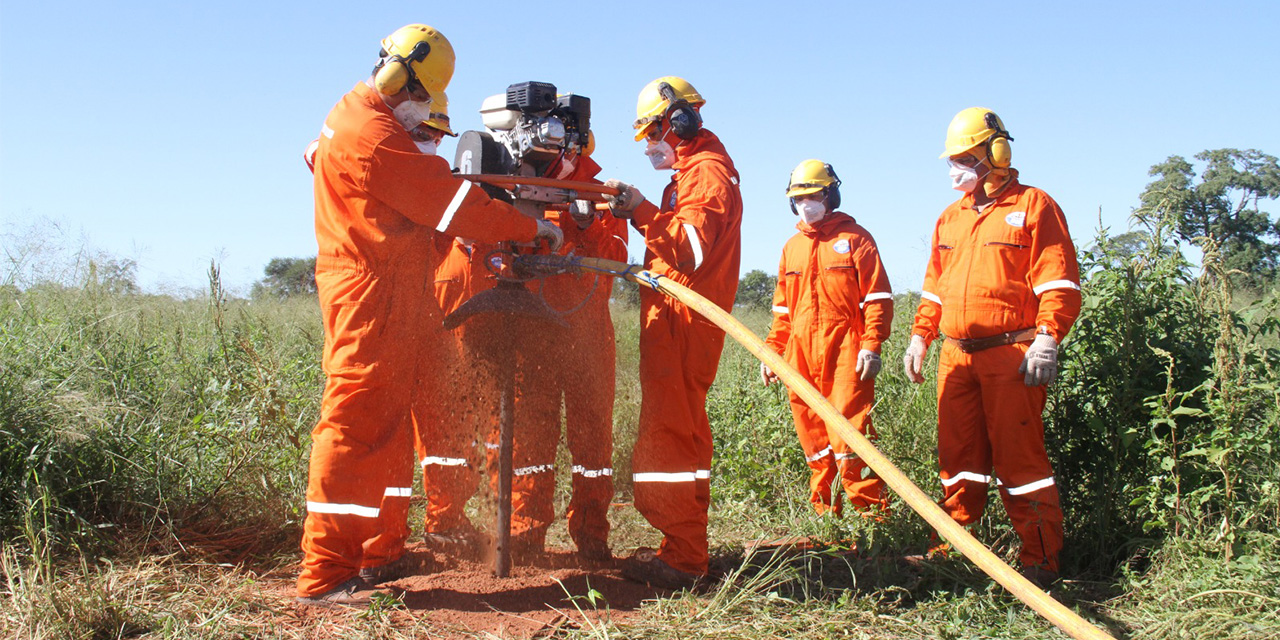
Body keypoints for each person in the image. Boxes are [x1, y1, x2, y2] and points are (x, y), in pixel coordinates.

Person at [298, 23, 562, 606]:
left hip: (391, 288)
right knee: (356, 421)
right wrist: (528, 226)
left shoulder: (356, 116)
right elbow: (447, 203)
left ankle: (376, 551)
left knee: (386, 425)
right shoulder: (373, 134)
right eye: (422, 98)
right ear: (401, 79)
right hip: (370, 294)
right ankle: (325, 572)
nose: (425, 113)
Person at [902, 107, 1080, 589]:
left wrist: (1048, 336)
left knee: (1020, 461)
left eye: (962, 158)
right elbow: (934, 288)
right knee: (957, 457)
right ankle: (955, 546)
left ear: (993, 155)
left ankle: (1040, 560)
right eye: (951, 160)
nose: (953, 169)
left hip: (1011, 355)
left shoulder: (1035, 206)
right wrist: (921, 334)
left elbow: (1059, 279)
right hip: (955, 355)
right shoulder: (950, 218)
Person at [603, 76, 742, 590]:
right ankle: (686, 546)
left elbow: (691, 249)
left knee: (671, 435)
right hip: (677, 320)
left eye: (650, 132)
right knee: (682, 431)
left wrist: (640, 210)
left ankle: (683, 561)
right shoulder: (689, 176)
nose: (647, 144)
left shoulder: (706, 174)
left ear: (676, 121)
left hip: (686, 323)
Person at [762, 160, 892, 517]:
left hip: (846, 353)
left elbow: (877, 298)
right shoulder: (791, 248)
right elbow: (783, 311)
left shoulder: (856, 239)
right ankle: (826, 519)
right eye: (799, 197)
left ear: (831, 194)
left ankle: (873, 519)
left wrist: (871, 345)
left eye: (814, 194)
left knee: (852, 436)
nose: (807, 203)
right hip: (799, 356)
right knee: (814, 440)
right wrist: (772, 352)